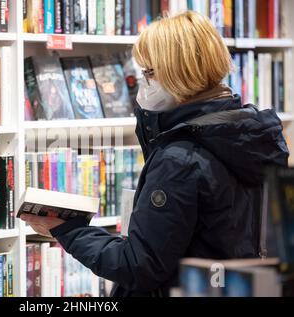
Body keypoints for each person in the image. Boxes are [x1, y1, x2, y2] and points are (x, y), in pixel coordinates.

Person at [20, 11, 289, 297]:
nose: (143, 83)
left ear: (179, 73)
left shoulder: (180, 158)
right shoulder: (247, 134)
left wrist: (66, 230)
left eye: (149, 72)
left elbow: (138, 266)